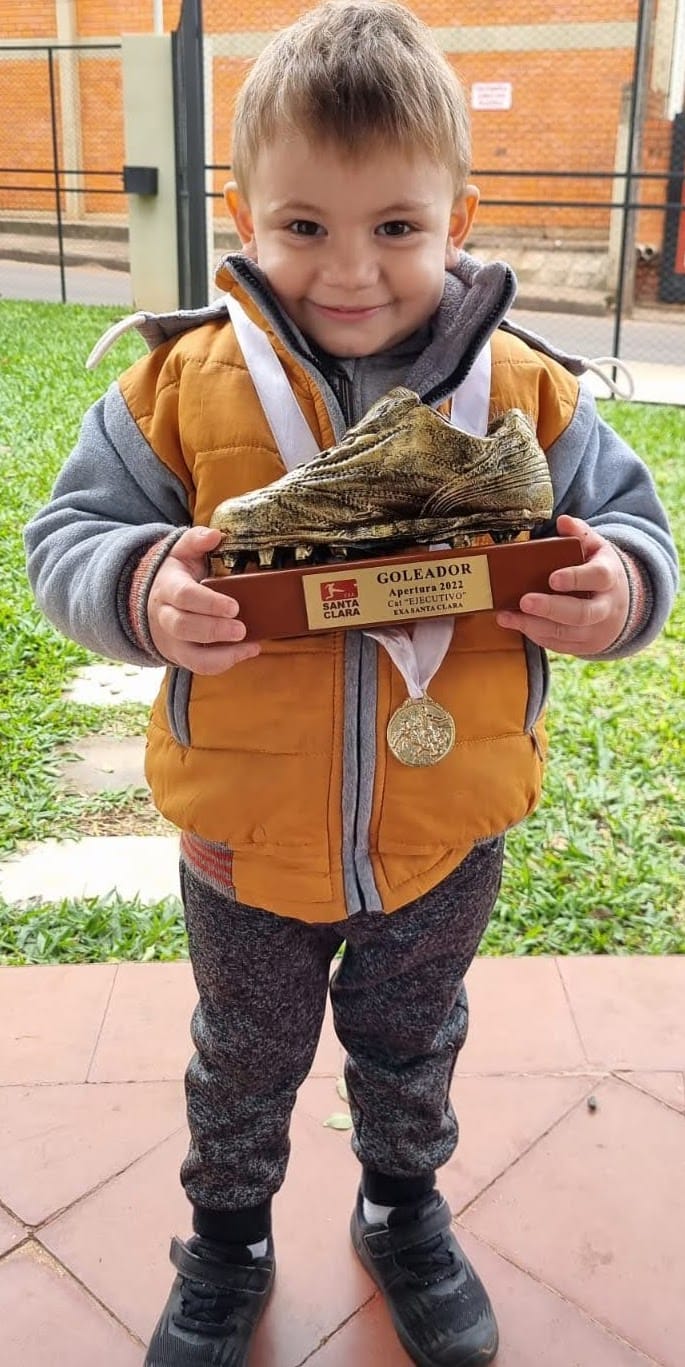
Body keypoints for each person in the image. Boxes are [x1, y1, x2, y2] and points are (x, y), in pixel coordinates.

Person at [24, 3, 677, 1365]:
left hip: (445, 834)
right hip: (241, 834)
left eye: (395, 226)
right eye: (303, 224)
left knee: (412, 1044)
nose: (351, 269)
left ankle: (402, 1206)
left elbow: (634, 530)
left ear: (459, 214)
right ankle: (226, 1240)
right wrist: (145, 587)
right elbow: (63, 543)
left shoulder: (526, 392)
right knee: (241, 1065)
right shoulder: (173, 383)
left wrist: (615, 587)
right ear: (240, 210)